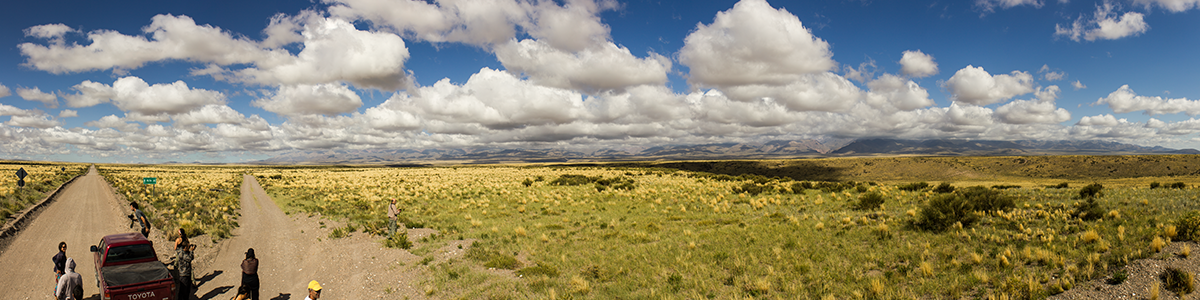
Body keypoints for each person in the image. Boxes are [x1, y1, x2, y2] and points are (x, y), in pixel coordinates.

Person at [175, 230, 194, 300]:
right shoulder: (183, 254)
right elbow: (189, 259)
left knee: (184, 290)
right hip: (184, 274)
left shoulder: (182, 253)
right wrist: (191, 251)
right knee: (185, 290)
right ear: (185, 247)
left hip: (184, 273)